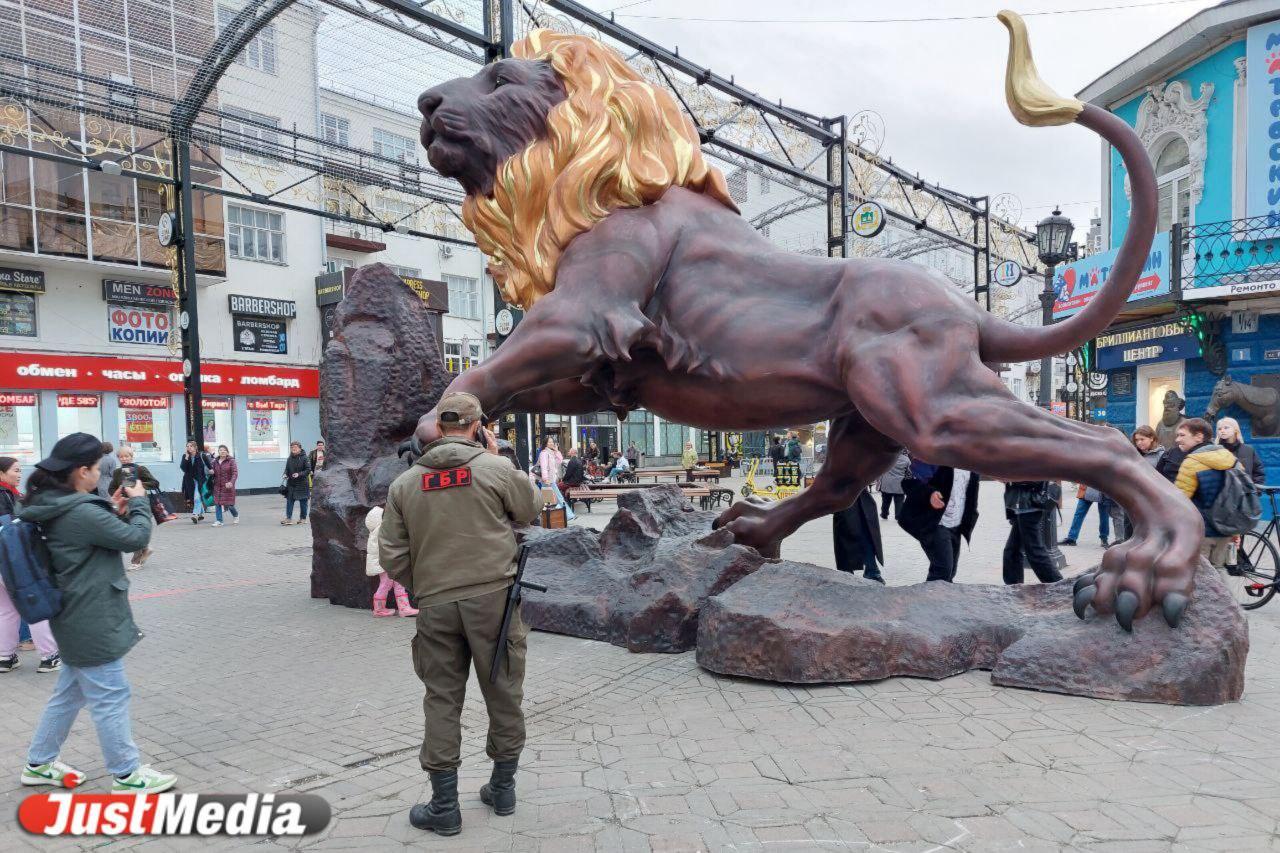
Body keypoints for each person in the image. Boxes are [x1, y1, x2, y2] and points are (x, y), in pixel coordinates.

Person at [380, 392, 541, 837]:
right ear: (477, 426)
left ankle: (444, 806)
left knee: (442, 699)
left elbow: (391, 554)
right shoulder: (494, 468)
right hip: (494, 601)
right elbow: (530, 509)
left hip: (435, 604)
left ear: (439, 430)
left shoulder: (405, 484)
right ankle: (503, 789)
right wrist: (496, 458)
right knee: (503, 692)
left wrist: (428, 583)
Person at [18, 432, 176, 794]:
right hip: (89, 615)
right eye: (96, 469)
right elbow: (135, 540)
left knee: (69, 693)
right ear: (81, 471)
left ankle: (39, 763)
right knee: (111, 695)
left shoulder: (55, 502)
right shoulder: (79, 510)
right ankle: (127, 774)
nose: (100, 474)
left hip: (72, 611)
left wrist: (110, 509)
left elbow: (92, 536)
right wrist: (137, 504)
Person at [0, 456, 60, 674]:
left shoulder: (12, 494)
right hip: (14, 561)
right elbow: (11, 528)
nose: (19, 474)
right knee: (36, 603)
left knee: (6, 611)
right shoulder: (5, 495)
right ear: (1, 474)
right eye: (15, 470)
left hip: (4, 562)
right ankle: (49, 656)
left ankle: (5, 657)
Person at [1173, 418, 1243, 593]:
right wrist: (1236, 530)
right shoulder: (1230, 458)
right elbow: (1238, 496)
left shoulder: (1192, 461)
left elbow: (1179, 500)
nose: (1177, 439)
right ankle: (1229, 610)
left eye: (1182, 435)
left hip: (1200, 528)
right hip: (1225, 527)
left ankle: (1202, 615)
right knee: (1218, 568)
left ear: (1198, 437)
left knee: (1198, 572)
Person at [898, 460, 980, 582]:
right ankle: (932, 599)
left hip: (956, 525)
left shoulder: (972, 463)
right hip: (935, 523)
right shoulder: (936, 456)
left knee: (950, 572)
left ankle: (941, 599)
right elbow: (908, 481)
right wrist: (929, 494)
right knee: (942, 570)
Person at [1002, 480, 1062, 585]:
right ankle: (1014, 588)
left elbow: (1034, 475)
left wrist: (1010, 476)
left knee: (1035, 552)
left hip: (1029, 504)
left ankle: (1059, 586)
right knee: (1012, 551)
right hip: (1023, 503)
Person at [109, 446, 160, 568]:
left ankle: (136, 560)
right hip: (124, 504)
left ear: (132, 457)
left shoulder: (140, 469)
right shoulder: (117, 472)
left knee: (135, 528)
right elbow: (111, 488)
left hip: (139, 502)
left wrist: (138, 485)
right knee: (129, 530)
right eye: (121, 457)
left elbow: (154, 483)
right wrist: (118, 494)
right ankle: (145, 548)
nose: (124, 459)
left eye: (126, 456)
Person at [365, 506, 417, 617]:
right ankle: (380, 609)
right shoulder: (381, 529)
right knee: (387, 583)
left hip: (386, 561)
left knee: (396, 583)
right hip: (385, 562)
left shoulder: (375, 531)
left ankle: (403, 608)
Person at [832, 489, 884, 583]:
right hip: (852, 498)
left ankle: (869, 571)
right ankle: (870, 571)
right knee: (861, 535)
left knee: (859, 535)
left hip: (851, 498)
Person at [1217, 417, 1265, 485]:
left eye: (1226, 427)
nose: (1222, 431)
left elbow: (1258, 472)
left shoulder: (1248, 450)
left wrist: (1255, 491)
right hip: (1223, 494)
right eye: (1219, 429)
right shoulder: (1216, 451)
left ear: (1235, 430)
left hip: (1246, 493)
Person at [179, 440, 212, 523]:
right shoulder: (185, 456)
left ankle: (195, 515)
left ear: (195, 447)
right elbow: (183, 469)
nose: (189, 448)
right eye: (187, 446)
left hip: (200, 480)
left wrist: (212, 471)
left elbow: (209, 466)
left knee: (197, 497)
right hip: (189, 481)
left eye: (191, 446)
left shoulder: (201, 455)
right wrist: (186, 459)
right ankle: (200, 514)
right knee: (194, 497)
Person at [281, 442, 312, 524]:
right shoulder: (289, 458)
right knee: (289, 501)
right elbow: (287, 469)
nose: (293, 449)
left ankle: (303, 518)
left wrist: (299, 474)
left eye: (295, 447)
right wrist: (285, 474)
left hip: (302, 484)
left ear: (300, 448)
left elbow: (308, 470)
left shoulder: (305, 458)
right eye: (291, 447)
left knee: (303, 502)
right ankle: (288, 519)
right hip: (291, 483)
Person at [210, 445, 239, 527]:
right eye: (220, 450)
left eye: (224, 450)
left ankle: (236, 515)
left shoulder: (231, 461)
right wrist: (211, 472)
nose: (222, 451)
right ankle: (219, 521)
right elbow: (211, 471)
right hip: (217, 486)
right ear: (218, 452)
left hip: (227, 486)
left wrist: (231, 482)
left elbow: (235, 473)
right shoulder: (214, 461)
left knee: (229, 505)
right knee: (217, 503)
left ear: (227, 452)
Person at [876, 450, 910, 520]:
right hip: (899, 484)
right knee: (899, 500)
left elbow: (881, 468)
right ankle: (898, 515)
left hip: (886, 482)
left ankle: (884, 514)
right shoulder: (906, 460)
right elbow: (909, 473)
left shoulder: (888, 456)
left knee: (885, 500)